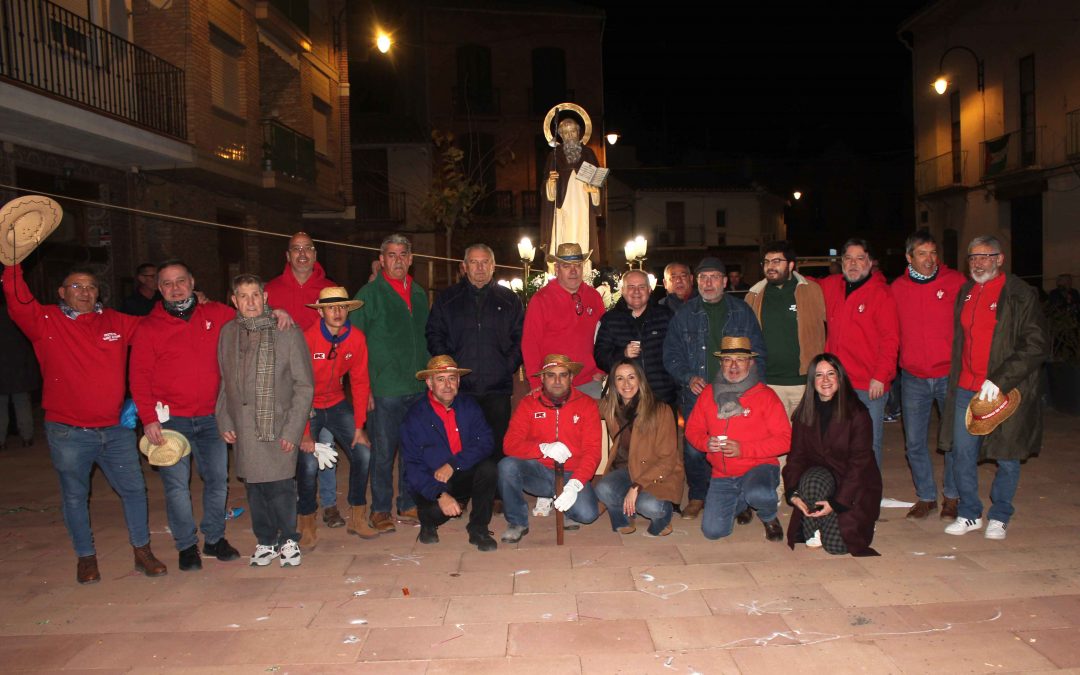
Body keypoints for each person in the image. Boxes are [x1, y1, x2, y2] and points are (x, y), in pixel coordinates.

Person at [3, 262, 167, 584]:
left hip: (115, 430)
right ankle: (86, 557)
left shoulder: (115, 321)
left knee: (134, 491)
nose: (85, 292)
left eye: (91, 286)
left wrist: (188, 304)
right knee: (75, 497)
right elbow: (17, 299)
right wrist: (12, 264)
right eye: (76, 286)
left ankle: (142, 551)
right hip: (69, 432)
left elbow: (155, 327)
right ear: (62, 293)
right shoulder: (45, 320)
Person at [129, 260, 242, 571]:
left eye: (181, 281)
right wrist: (148, 418)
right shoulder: (149, 328)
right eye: (167, 283)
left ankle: (215, 538)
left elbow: (251, 317)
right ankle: (186, 546)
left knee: (218, 480)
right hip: (170, 422)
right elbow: (138, 376)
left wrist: (280, 313)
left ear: (192, 282)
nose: (175, 288)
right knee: (177, 486)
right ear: (158, 289)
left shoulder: (217, 314)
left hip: (212, 417)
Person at [940, 236, 1047, 540]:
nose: (978, 263)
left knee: (1007, 453)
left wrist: (1000, 379)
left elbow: (1036, 344)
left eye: (985, 257)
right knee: (961, 453)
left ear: (1000, 259)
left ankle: (1000, 514)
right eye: (973, 258)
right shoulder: (966, 291)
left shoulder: (1020, 294)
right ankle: (969, 513)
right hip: (966, 387)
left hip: (1005, 389)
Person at [216, 274, 313, 567]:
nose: (250, 302)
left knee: (281, 487)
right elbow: (224, 381)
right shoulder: (228, 333)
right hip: (244, 425)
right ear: (234, 300)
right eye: (243, 296)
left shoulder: (287, 332)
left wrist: (294, 429)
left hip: (278, 423)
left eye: (256, 295)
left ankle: (289, 541)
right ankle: (266, 541)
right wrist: (224, 419)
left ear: (266, 297)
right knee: (255, 488)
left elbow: (304, 385)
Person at [663, 256, 766, 520]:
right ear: (697, 282)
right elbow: (671, 353)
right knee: (695, 449)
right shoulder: (685, 314)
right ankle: (698, 495)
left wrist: (752, 391)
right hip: (697, 395)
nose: (708, 283)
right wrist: (687, 377)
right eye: (703, 278)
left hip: (736, 392)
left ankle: (740, 500)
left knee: (735, 445)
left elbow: (759, 353)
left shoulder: (741, 312)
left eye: (714, 278)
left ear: (724, 281)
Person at [426, 244, 523, 491]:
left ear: (493, 266)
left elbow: (520, 338)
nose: (479, 268)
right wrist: (450, 372)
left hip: (496, 387)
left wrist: (506, 366)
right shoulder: (448, 299)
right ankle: (461, 492)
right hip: (461, 389)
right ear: (464, 267)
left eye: (485, 262)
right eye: (474, 262)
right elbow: (434, 334)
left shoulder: (510, 300)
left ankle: (497, 493)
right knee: (461, 443)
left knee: (497, 442)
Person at [350, 234, 430, 532]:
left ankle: (408, 503)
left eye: (403, 255)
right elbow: (355, 348)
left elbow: (425, 338)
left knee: (413, 449)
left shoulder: (420, 293)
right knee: (383, 452)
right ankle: (380, 509)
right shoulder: (368, 295)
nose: (398, 260)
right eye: (391, 255)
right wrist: (365, 389)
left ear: (411, 259)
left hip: (417, 386)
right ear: (381, 260)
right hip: (384, 389)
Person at [264, 232, 342, 527]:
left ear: (315, 253)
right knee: (289, 446)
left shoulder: (330, 288)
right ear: (287, 255)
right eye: (296, 249)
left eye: (308, 248)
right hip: (282, 384)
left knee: (325, 445)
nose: (302, 254)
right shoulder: (270, 290)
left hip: (322, 383)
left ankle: (331, 504)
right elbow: (247, 318)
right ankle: (296, 502)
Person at [889, 230, 966, 520]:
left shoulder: (956, 282)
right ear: (909, 257)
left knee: (954, 440)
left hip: (949, 375)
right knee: (915, 443)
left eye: (933, 253)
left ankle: (953, 496)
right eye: (922, 253)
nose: (930, 259)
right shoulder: (896, 288)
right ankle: (926, 496)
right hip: (913, 378)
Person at [684, 337, 790, 541]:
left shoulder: (766, 396)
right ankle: (742, 503)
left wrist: (744, 449)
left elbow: (786, 440)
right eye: (728, 359)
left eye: (740, 359)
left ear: (750, 363)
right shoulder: (708, 394)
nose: (733, 365)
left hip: (759, 467)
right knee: (713, 531)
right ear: (721, 363)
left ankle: (768, 516)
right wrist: (706, 443)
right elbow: (692, 430)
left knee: (758, 493)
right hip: (723, 473)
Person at [297, 287, 376, 547]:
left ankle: (357, 515)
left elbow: (361, 382)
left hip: (337, 402)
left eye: (342, 307)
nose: (337, 312)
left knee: (363, 452)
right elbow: (298, 386)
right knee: (308, 463)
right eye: (331, 308)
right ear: (321, 311)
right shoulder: (307, 339)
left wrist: (359, 426)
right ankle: (307, 521)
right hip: (308, 405)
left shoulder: (356, 338)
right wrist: (305, 432)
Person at [783, 354, 882, 556]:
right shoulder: (804, 413)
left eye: (831, 374)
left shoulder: (858, 413)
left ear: (840, 378)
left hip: (853, 486)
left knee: (837, 547)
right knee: (811, 480)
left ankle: (840, 521)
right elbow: (796, 456)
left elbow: (859, 465)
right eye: (819, 375)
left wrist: (837, 503)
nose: (825, 380)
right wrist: (793, 493)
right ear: (812, 381)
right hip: (821, 480)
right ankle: (818, 524)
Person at [498, 354, 602, 543]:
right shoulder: (529, 404)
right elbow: (509, 444)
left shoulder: (587, 405)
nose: (557, 381)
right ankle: (517, 521)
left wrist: (575, 485)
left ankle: (565, 503)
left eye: (563, 375)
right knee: (507, 466)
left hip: (571, 473)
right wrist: (542, 448)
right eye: (551, 375)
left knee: (587, 514)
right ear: (542, 378)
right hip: (538, 471)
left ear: (571, 378)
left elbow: (593, 451)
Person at [402, 355, 498, 551]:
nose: (447, 385)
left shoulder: (468, 406)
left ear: (459, 381)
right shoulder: (415, 416)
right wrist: (439, 494)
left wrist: (453, 464)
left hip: (460, 471)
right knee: (438, 512)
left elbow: (486, 441)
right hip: (431, 480)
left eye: (452, 378)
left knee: (489, 468)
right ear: (429, 383)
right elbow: (412, 467)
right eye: (440, 379)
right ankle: (428, 522)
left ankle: (478, 528)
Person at [818, 238, 899, 470]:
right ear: (841, 262)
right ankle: (845, 493)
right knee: (837, 442)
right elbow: (805, 284)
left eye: (860, 258)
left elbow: (890, 339)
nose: (853, 264)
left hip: (868, 385)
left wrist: (881, 376)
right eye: (848, 258)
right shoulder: (832, 285)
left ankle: (869, 497)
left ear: (870, 262)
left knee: (868, 443)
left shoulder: (881, 293)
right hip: (836, 384)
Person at [595, 359, 684, 536]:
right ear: (613, 383)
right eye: (620, 378)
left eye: (631, 377)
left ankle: (662, 516)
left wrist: (636, 486)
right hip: (625, 469)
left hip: (654, 472)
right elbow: (582, 405)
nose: (626, 384)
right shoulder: (611, 407)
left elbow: (668, 459)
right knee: (603, 488)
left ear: (641, 380)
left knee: (648, 505)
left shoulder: (660, 410)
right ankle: (624, 516)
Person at [744, 241, 826, 419]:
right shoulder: (753, 295)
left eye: (776, 261)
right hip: (769, 383)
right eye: (766, 262)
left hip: (804, 382)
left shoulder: (811, 291)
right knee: (776, 442)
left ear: (790, 264)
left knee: (805, 441)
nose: (770, 267)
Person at [521, 243, 606, 398]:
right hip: (554, 384)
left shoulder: (594, 297)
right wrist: (535, 384)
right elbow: (530, 344)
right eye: (567, 266)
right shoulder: (541, 300)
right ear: (557, 268)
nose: (573, 271)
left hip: (589, 382)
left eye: (578, 265)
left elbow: (606, 336)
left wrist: (601, 370)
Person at [594, 270, 677, 407]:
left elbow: (678, 353)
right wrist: (623, 354)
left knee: (665, 429)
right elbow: (600, 357)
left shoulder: (665, 316)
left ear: (650, 289)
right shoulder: (610, 320)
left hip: (662, 397)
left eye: (641, 287)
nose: (636, 291)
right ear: (622, 290)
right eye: (631, 287)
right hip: (626, 399)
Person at [542, 116, 602, 267]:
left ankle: (584, 270)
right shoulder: (554, 155)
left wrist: (594, 190)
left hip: (583, 205)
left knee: (583, 233)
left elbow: (598, 183)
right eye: (566, 133)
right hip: (563, 205)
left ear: (579, 133)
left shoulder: (588, 153)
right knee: (563, 234)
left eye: (573, 131)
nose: (570, 136)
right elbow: (547, 187)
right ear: (561, 136)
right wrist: (551, 182)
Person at [0, 291, 40, 450]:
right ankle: (27, 436)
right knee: (22, 402)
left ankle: (1, 440)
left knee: (1, 405)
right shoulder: (17, 315)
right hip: (19, 366)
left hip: (2, 367)